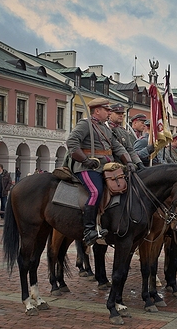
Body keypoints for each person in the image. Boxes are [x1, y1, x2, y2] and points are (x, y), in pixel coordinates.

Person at [67, 98, 135, 246]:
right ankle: (89, 230)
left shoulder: (105, 128)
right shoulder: (85, 124)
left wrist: (129, 161)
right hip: (87, 167)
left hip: (106, 167)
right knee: (96, 191)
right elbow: (72, 142)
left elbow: (117, 147)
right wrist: (85, 160)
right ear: (97, 111)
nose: (109, 112)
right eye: (107, 109)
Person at [106, 103, 145, 170]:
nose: (121, 115)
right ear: (110, 114)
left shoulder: (123, 131)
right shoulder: (106, 128)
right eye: (118, 113)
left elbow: (130, 150)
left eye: (122, 113)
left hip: (125, 164)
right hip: (110, 164)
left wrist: (138, 162)